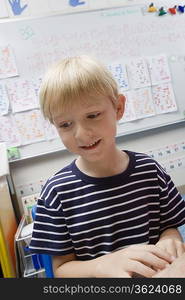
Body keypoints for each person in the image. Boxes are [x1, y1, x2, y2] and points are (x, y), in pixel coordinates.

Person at [29, 55, 185, 278]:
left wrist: (170, 238)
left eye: (93, 115)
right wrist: (101, 266)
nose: (81, 134)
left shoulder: (150, 171)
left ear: (118, 107)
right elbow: (61, 269)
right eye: (65, 124)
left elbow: (169, 226)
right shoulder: (57, 193)